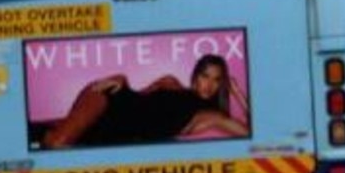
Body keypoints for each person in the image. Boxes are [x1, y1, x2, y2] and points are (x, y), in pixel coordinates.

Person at [41, 53, 249, 149]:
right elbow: (138, 96)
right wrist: (121, 79)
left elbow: (251, 132)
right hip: (109, 99)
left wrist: (237, 93)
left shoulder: (211, 117)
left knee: (54, 136)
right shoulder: (171, 82)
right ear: (195, 76)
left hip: (115, 132)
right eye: (205, 76)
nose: (209, 84)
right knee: (58, 143)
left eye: (216, 80)